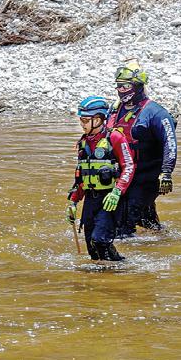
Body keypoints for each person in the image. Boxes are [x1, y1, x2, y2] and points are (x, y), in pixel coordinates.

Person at [105, 62, 178, 237]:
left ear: (138, 86)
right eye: (119, 86)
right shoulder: (115, 109)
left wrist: (166, 173)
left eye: (126, 86)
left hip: (147, 176)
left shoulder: (156, 113)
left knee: (125, 220)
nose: (122, 90)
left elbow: (170, 143)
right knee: (145, 219)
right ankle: (161, 240)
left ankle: (127, 259)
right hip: (123, 173)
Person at [67, 96, 136, 262]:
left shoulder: (115, 138)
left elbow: (129, 166)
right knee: (91, 246)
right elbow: (81, 176)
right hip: (91, 199)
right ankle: (110, 272)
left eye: (85, 120)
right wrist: (74, 202)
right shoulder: (83, 144)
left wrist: (117, 192)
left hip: (110, 198)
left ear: (98, 119)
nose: (82, 124)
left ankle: (116, 272)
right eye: (81, 120)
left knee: (99, 240)